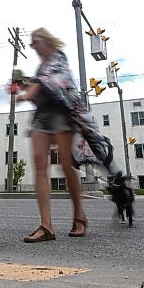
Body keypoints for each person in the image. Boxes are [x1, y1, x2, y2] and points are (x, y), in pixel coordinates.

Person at [15, 27, 88, 242]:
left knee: (66, 165)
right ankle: (46, 226)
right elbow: (38, 88)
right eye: (31, 43)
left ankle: (79, 215)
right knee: (39, 165)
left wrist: (26, 92)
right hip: (42, 116)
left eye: (35, 41)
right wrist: (23, 87)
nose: (33, 46)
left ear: (46, 41)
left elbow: (46, 83)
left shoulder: (59, 58)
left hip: (61, 114)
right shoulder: (40, 68)